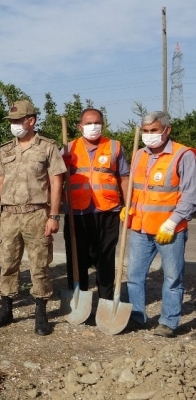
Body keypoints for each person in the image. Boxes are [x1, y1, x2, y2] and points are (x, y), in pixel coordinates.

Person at [0, 100, 66, 336]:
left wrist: (54, 215)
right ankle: (6, 309)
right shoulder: (6, 149)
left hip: (36, 214)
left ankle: (41, 313)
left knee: (39, 265)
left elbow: (56, 182)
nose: (14, 125)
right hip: (9, 215)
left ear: (31, 121)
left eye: (18, 120)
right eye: (11, 121)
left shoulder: (47, 147)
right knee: (7, 263)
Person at [124, 111, 196, 338]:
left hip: (169, 230)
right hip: (140, 228)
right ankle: (137, 316)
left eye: (153, 130)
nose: (149, 135)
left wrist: (172, 222)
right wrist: (129, 207)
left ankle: (168, 322)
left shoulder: (183, 155)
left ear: (167, 130)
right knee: (134, 275)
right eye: (145, 131)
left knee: (172, 278)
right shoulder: (139, 154)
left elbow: (190, 195)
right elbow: (136, 188)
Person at [62, 108, 129, 300]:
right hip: (77, 214)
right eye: (89, 123)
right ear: (79, 126)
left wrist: (128, 206)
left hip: (107, 212)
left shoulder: (114, 147)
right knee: (77, 259)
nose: (93, 126)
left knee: (105, 259)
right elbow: (56, 178)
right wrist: (61, 164)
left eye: (97, 122)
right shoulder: (68, 148)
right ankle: (78, 297)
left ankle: (105, 299)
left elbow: (124, 178)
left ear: (103, 124)